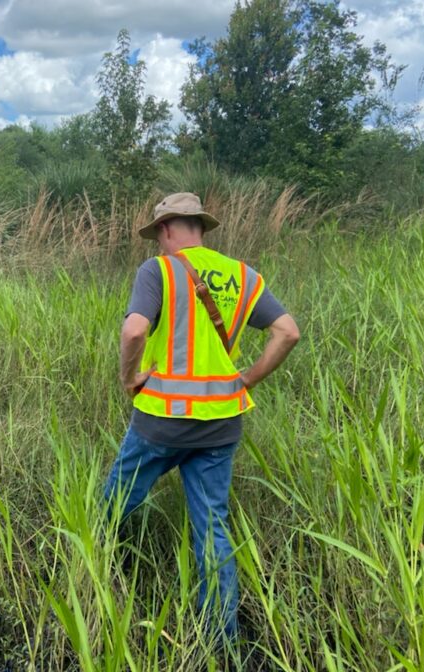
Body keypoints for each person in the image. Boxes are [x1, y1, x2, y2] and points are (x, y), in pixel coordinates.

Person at [103, 192, 300, 640]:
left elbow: (135, 328)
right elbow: (288, 332)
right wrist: (247, 377)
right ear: (201, 229)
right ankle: (220, 639)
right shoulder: (242, 276)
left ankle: (91, 576)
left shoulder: (159, 270)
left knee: (109, 509)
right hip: (220, 425)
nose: (158, 242)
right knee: (212, 527)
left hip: (160, 420)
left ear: (167, 229)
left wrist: (127, 377)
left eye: (158, 234)